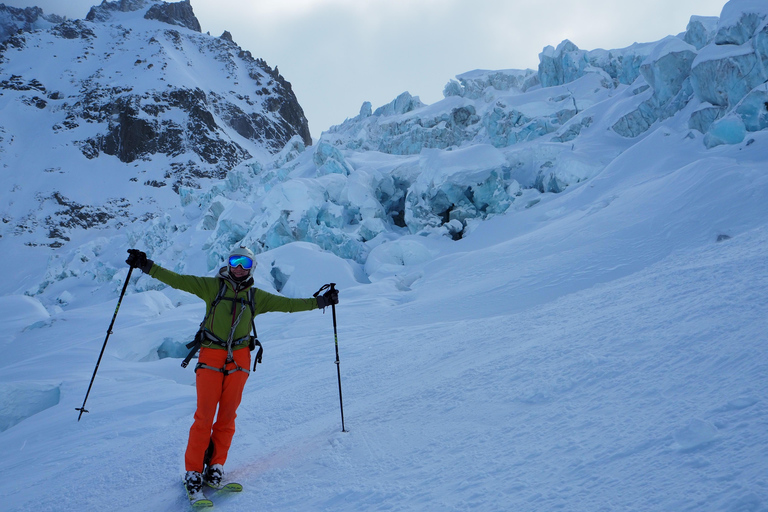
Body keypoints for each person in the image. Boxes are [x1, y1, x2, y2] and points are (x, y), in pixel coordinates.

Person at [125, 246, 338, 502]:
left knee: (227, 416)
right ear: (228, 263)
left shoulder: (257, 297)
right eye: (235, 261)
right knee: (204, 416)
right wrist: (146, 265)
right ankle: (193, 472)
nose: (238, 267)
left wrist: (321, 302)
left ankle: (215, 467)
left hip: (239, 360)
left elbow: (290, 305)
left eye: (245, 263)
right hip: (211, 356)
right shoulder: (212, 287)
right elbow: (178, 280)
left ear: (251, 268)